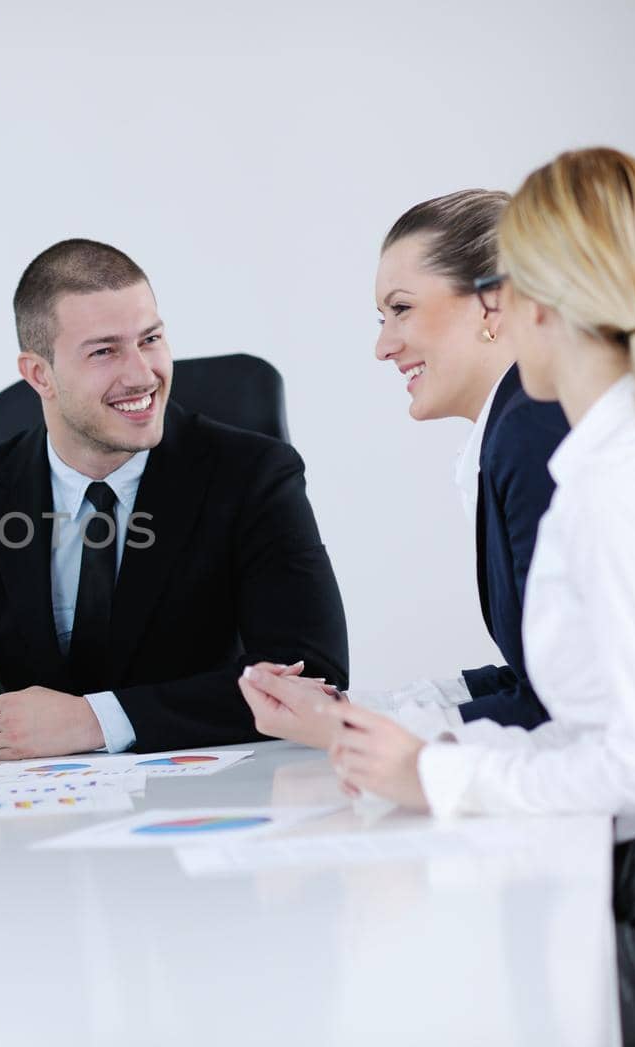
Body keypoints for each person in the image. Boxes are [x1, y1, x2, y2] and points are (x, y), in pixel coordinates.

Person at [248, 148, 635, 1047]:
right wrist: (390, 737)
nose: (382, 343)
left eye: (397, 311)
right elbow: (584, 715)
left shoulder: (611, 477)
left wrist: (433, 773)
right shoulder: (603, 459)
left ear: (515, 304)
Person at [0, 238, 349, 792]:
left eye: (151, 339)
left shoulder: (252, 473)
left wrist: (97, 720)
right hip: (39, 829)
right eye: (104, 351)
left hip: (210, 802)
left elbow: (311, 672)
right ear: (39, 374)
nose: (142, 374)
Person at [240, 191, 568, 749]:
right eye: (381, 316)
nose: (383, 346)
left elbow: (559, 709)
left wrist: (353, 733)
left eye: (402, 309)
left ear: (492, 304)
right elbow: (537, 679)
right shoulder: (519, 425)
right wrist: (354, 711)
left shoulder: (533, 433)